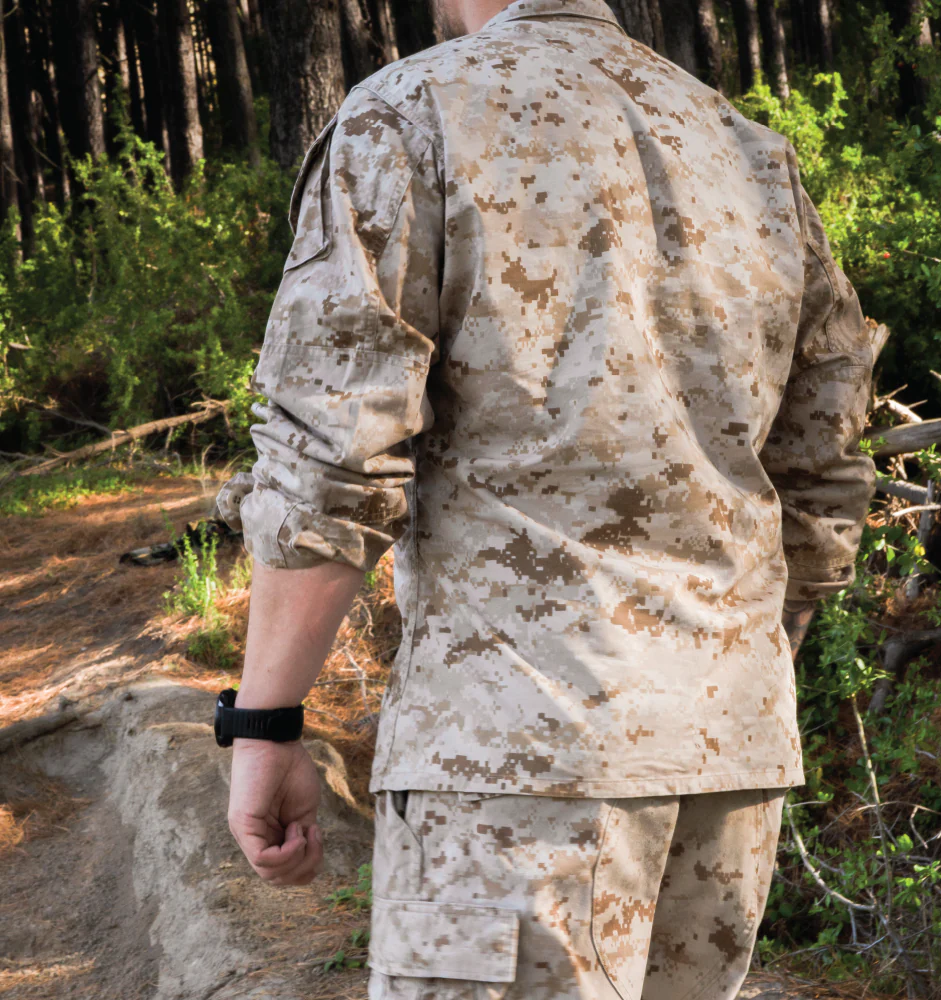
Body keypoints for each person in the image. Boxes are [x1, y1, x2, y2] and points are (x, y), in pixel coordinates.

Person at [214, 2, 877, 997]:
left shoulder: (410, 117)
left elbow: (330, 460)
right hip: (726, 753)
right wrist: (724, 659)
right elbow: (824, 468)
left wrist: (263, 724)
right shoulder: (746, 153)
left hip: (515, 759)